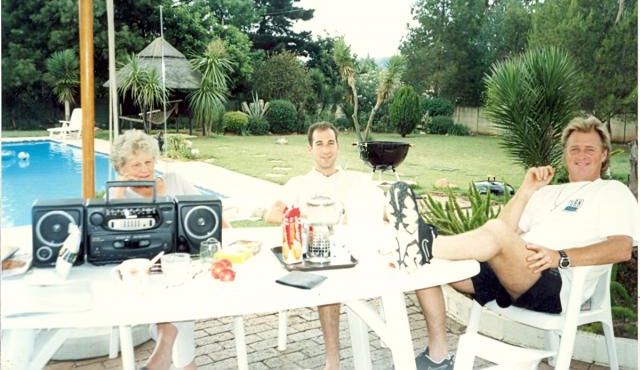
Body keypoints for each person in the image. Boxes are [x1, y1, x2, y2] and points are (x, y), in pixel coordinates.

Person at [389, 116, 637, 368]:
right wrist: (526, 190)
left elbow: (621, 248)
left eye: (590, 149)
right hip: (511, 271)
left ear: (604, 155)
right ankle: (438, 357)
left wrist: (559, 256)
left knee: (434, 250)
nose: (581, 155)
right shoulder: (547, 192)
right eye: (574, 148)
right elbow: (504, 230)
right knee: (428, 269)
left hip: (555, 281)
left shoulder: (612, 191)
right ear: (565, 154)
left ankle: (425, 245)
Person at [267, 122, 452, 370]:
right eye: (319, 144)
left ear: (338, 147)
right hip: (323, 257)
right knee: (328, 281)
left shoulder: (357, 182)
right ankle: (332, 362)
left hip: (363, 255)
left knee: (417, 261)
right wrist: (315, 218)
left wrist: (407, 219)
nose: (326, 150)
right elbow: (273, 213)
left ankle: (432, 353)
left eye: (330, 143)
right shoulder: (299, 184)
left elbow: (387, 212)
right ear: (309, 149)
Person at [111, 130, 228, 370]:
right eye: (135, 164)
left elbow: (209, 214)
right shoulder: (120, 194)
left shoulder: (175, 181)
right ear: (121, 169)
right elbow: (112, 238)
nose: (144, 169)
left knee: (180, 295)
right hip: (146, 272)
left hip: (187, 262)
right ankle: (176, 358)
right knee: (180, 302)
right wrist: (121, 190)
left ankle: (162, 351)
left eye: (148, 161)